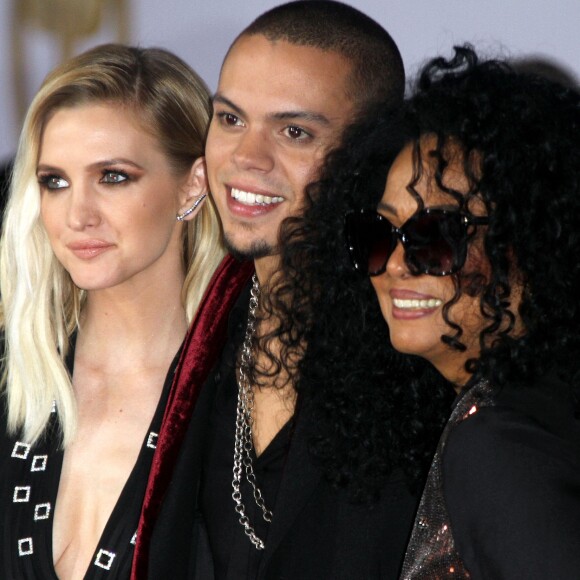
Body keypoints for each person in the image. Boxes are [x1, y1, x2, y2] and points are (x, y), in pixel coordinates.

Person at [132, 1, 451, 578]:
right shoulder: (200, 330)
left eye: (294, 131)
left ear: (370, 153)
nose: (245, 158)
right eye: (229, 119)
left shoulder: (420, 344)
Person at [341, 46, 580, 578]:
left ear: (536, 244)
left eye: (437, 235)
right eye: (378, 236)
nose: (396, 265)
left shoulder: (498, 444)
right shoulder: (531, 408)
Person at [0, 43, 225, 579]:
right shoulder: (13, 376)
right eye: (55, 181)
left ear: (192, 185)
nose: (77, 215)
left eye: (113, 177)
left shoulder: (242, 390)